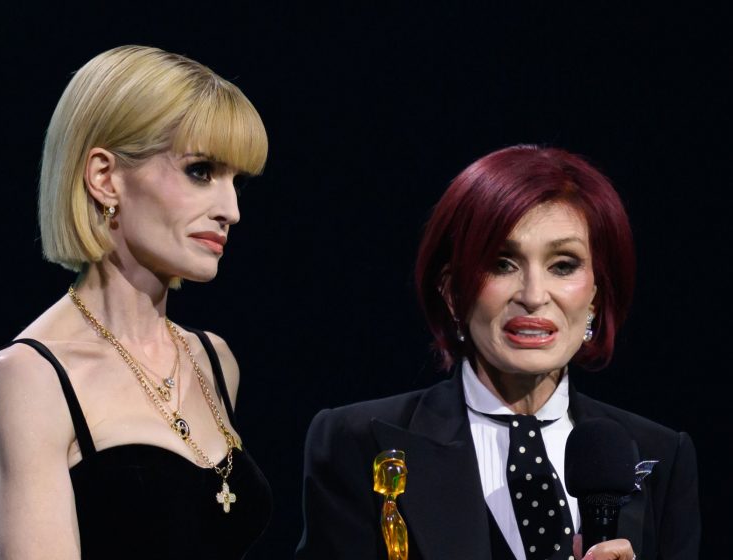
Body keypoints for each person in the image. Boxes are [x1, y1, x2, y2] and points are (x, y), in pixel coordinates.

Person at [296, 145, 700, 560]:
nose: (533, 296)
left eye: (563, 265)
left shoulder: (661, 455)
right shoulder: (355, 442)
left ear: (595, 296)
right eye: (502, 263)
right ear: (452, 292)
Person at [0, 46, 271, 559]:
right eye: (201, 171)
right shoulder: (30, 379)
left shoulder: (213, 360)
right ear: (104, 177)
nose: (231, 210)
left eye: (237, 182)